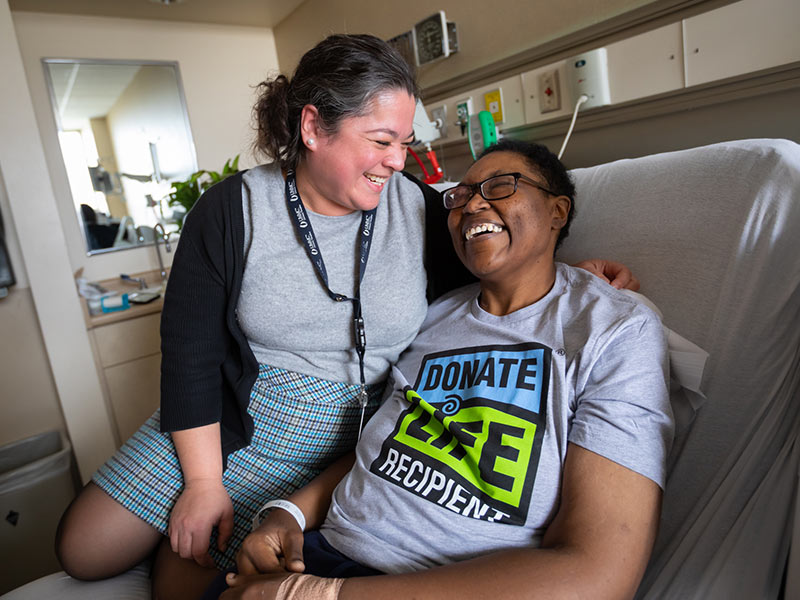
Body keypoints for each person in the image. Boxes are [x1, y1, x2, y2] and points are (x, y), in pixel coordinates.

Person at [54, 35, 638, 599]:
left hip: (347, 434)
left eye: (404, 143)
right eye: (382, 141)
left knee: (190, 580)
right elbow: (190, 352)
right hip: (238, 411)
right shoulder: (232, 211)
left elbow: (498, 264)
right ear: (313, 128)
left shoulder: (419, 209)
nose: (397, 162)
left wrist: (573, 276)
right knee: (84, 551)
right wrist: (203, 485)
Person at [214, 139, 673, 600]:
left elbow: (598, 574)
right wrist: (287, 515)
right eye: (459, 195)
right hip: (322, 552)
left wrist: (320, 596)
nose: (472, 203)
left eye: (499, 186)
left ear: (557, 211)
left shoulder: (613, 329)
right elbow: (384, 448)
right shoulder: (432, 315)